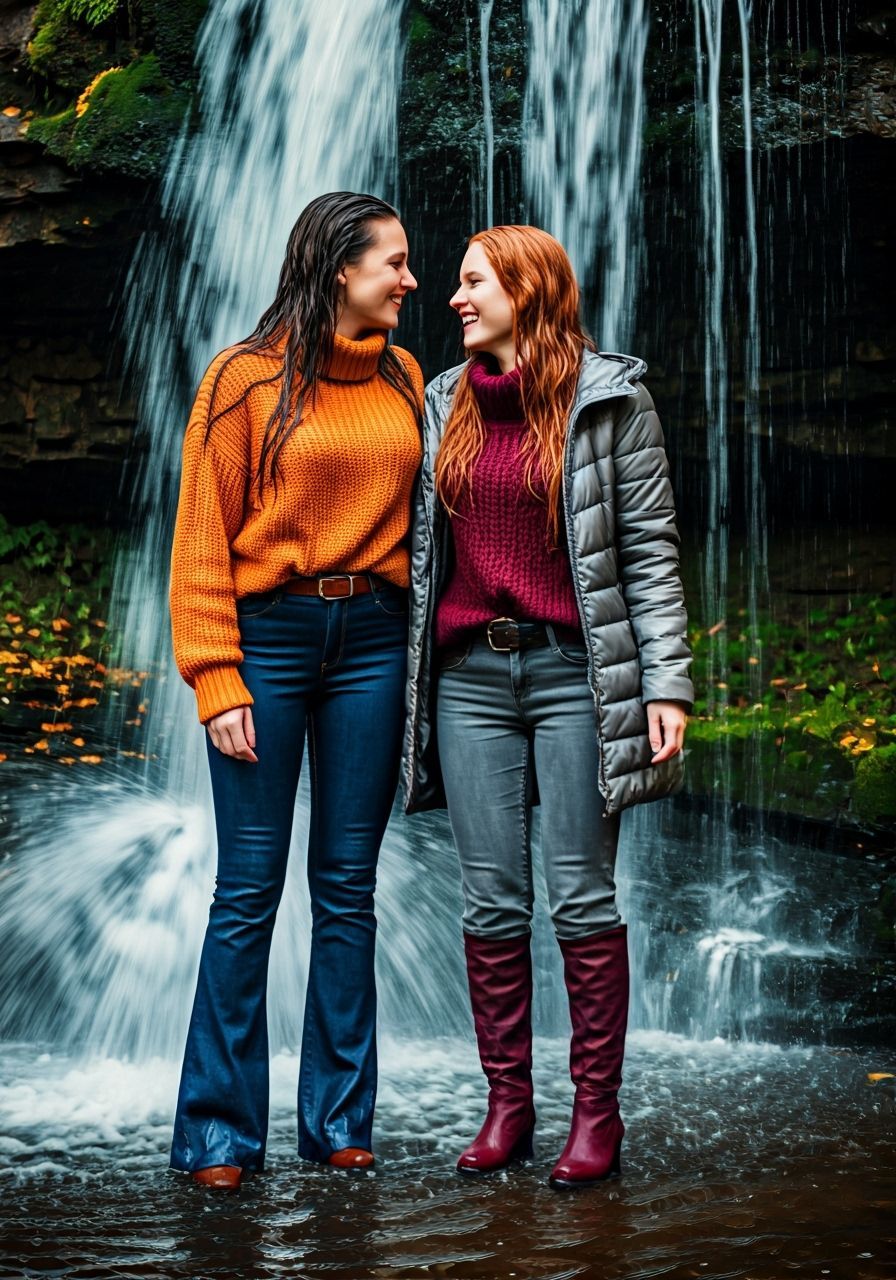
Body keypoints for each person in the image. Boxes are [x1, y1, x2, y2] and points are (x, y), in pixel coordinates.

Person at [401, 225, 693, 1190]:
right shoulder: (441, 400)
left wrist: (667, 683)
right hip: (469, 680)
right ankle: (507, 1108)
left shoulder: (612, 401)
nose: (453, 298)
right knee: (491, 901)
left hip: (577, 674)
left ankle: (596, 1116)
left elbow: (648, 551)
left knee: (579, 896)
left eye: (472, 281)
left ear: (526, 290)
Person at [168, 191, 423, 1190]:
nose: (411, 280)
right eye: (392, 263)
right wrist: (214, 673)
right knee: (247, 888)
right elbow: (198, 539)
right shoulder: (242, 379)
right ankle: (219, 1133)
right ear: (336, 273)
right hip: (266, 638)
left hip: (372, 638)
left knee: (347, 888)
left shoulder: (404, 377)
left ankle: (336, 1119)